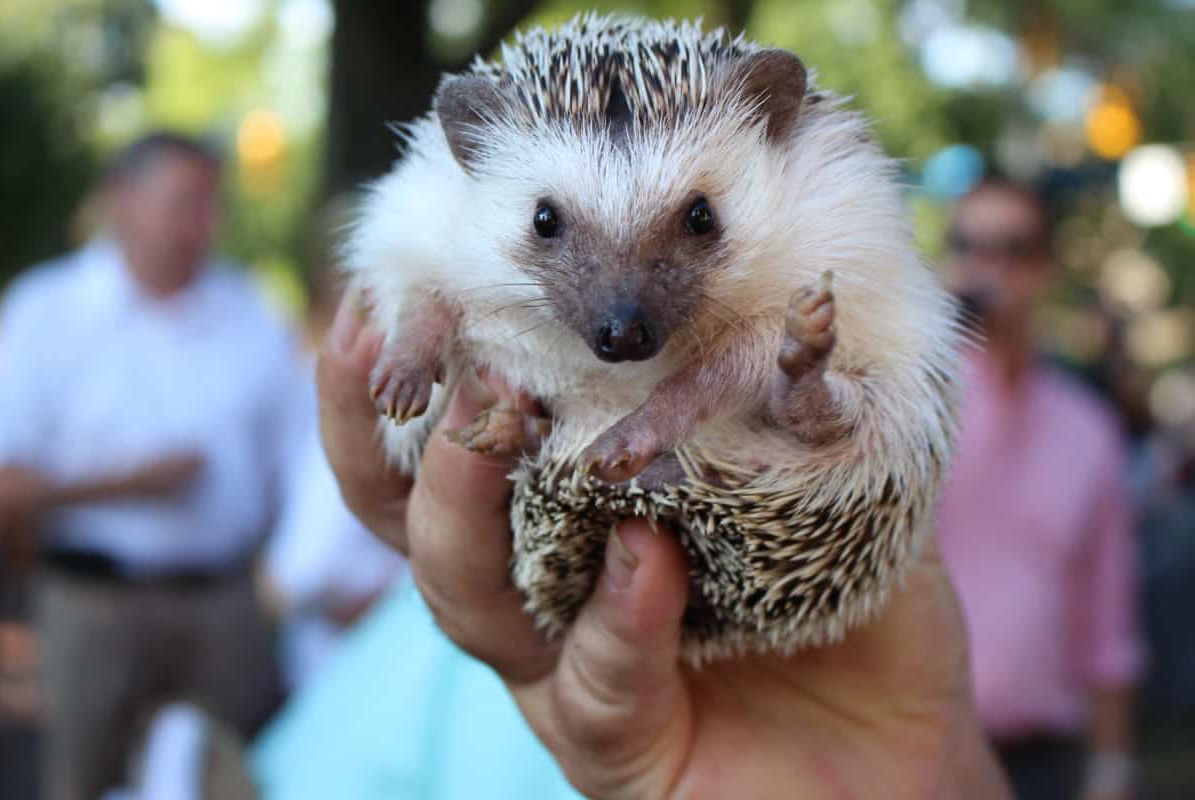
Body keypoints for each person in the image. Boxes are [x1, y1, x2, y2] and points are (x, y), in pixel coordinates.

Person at [298, 288, 1013, 798]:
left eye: (696, 221)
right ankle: (556, 446)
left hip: (784, 476)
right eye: (551, 225)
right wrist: (424, 323)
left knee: (822, 387)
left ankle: (788, 402)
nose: (623, 308)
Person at [0, 132, 309, 800]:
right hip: (90, 603)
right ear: (122, 203)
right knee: (80, 777)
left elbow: (299, 465)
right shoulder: (43, 311)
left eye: (211, 204)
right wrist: (131, 483)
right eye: (184, 203)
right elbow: (4, 483)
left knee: (238, 776)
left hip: (225, 605)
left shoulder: (252, 311)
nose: (204, 225)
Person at [937, 178, 1145, 800]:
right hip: (915, 752)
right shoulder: (908, 410)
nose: (988, 267)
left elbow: (1106, 623)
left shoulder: (1089, 430)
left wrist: (1112, 769)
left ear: (1046, 268)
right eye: (968, 245)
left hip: (1043, 765)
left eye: (1012, 248)